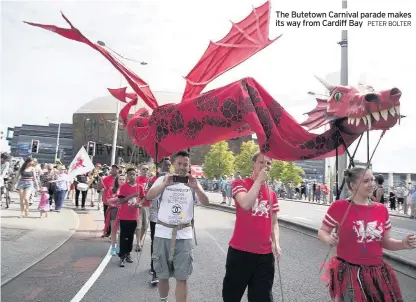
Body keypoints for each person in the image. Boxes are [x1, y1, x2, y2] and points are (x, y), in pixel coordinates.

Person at [318, 167, 416, 301]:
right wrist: (329, 238)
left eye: (372, 180)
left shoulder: (381, 209)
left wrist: (403, 244)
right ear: (353, 185)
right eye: (365, 181)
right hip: (349, 273)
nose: (371, 184)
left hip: (377, 272)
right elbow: (322, 231)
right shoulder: (339, 207)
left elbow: (386, 242)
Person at [146, 150, 209, 302]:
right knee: (162, 275)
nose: (182, 167)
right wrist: (165, 185)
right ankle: (163, 299)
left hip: (184, 235)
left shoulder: (193, 182)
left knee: (182, 277)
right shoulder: (163, 179)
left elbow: (206, 202)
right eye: (179, 163)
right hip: (162, 234)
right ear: (173, 164)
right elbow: (149, 196)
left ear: (189, 166)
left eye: (185, 164)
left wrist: (196, 188)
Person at [222, 151, 281, 302]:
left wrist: (276, 243)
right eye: (261, 162)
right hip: (240, 252)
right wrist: (258, 182)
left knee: (262, 298)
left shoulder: (272, 194)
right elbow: (246, 204)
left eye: (268, 163)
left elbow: (274, 223)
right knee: (231, 297)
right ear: (253, 164)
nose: (265, 166)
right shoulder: (240, 184)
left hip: (264, 256)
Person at [147, 157, 172, 285]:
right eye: (166, 164)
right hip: (155, 216)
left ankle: (161, 268)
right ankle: (154, 268)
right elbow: (148, 194)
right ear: (161, 165)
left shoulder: (173, 179)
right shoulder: (155, 179)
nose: (168, 167)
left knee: (165, 245)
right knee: (155, 243)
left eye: (169, 165)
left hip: (167, 218)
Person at [117, 168, 145, 267]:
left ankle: (128, 253)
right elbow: (121, 201)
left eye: (134, 174)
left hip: (134, 216)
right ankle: (122, 256)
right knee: (123, 236)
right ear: (127, 176)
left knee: (130, 236)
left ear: (136, 175)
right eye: (130, 174)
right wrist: (132, 195)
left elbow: (143, 197)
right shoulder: (124, 187)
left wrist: (139, 204)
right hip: (124, 215)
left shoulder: (140, 187)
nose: (132, 176)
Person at [106, 174, 126, 255]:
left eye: (123, 179)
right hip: (114, 211)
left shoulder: (127, 189)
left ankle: (119, 246)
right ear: (117, 181)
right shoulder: (112, 189)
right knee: (114, 230)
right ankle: (113, 247)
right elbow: (108, 201)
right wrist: (117, 198)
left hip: (124, 211)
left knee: (121, 231)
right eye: (120, 179)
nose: (122, 181)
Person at [99, 165, 119, 235]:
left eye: (115, 169)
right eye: (112, 169)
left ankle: (113, 230)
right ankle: (108, 230)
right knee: (107, 216)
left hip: (116, 202)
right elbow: (99, 188)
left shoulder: (120, 179)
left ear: (118, 170)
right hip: (106, 201)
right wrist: (100, 183)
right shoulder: (106, 178)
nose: (114, 170)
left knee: (114, 217)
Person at [135, 164, 150, 251]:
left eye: (147, 169)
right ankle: (138, 243)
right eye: (143, 169)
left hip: (147, 205)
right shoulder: (137, 179)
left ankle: (139, 240)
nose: (145, 170)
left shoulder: (150, 180)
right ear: (140, 170)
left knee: (145, 226)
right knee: (139, 225)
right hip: (139, 205)